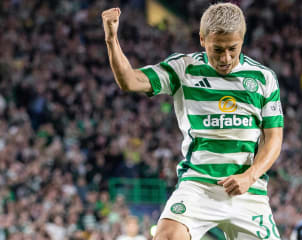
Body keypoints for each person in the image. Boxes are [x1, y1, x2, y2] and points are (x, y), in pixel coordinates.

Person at [102, 3, 283, 240]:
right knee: (166, 236)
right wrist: (111, 38)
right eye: (217, 49)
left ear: (242, 40)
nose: (225, 58)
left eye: (232, 48)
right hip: (198, 185)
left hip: (248, 190)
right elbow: (130, 81)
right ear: (202, 39)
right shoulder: (184, 68)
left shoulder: (263, 78)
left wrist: (250, 176)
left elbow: (274, 138)